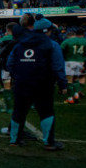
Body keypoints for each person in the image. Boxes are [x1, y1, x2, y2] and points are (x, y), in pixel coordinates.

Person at [7, 14, 67, 150]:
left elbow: (10, 63)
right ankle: (49, 142)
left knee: (19, 111)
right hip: (43, 83)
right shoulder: (52, 45)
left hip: (22, 83)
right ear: (49, 30)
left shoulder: (20, 43)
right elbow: (58, 67)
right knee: (46, 111)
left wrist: (18, 76)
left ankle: (14, 140)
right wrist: (63, 84)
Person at [60, 27, 86, 104]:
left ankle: (70, 98)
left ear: (76, 33)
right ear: (83, 34)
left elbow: (61, 48)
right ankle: (76, 95)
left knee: (69, 80)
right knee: (77, 79)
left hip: (69, 61)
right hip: (81, 62)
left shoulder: (68, 41)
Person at [0, 22, 18, 114]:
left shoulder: (2, 40)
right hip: (19, 66)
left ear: (7, 30)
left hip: (6, 66)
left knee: (7, 86)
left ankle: (9, 108)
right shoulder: (21, 39)